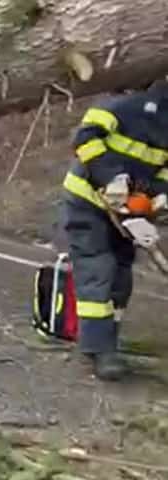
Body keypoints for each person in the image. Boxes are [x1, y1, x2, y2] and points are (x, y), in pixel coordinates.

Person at [59, 78, 168, 381]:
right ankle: (99, 349)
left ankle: (110, 336)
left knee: (121, 275)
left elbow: (163, 172)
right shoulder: (125, 107)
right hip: (87, 202)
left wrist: (158, 198)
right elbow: (85, 137)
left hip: (126, 212)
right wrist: (112, 177)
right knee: (98, 268)